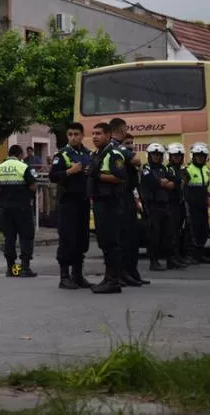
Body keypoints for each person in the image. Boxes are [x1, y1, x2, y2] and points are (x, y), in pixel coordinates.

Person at [49, 122, 93, 290]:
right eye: (70, 134)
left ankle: (78, 275)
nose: (73, 137)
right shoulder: (62, 155)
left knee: (81, 239)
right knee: (67, 238)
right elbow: (53, 176)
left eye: (76, 134)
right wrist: (69, 172)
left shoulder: (87, 154)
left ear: (82, 135)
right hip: (68, 202)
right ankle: (64, 277)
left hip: (83, 201)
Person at [87, 122, 127, 294]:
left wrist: (98, 175)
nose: (95, 136)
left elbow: (120, 178)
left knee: (111, 242)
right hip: (99, 202)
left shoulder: (113, 154)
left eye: (99, 133)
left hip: (110, 202)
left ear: (109, 135)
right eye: (93, 133)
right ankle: (108, 278)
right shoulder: (98, 154)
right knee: (104, 242)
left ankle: (114, 281)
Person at [109, 118, 148, 288]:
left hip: (128, 196)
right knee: (123, 238)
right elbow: (136, 161)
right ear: (122, 129)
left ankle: (132, 272)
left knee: (132, 238)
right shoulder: (116, 147)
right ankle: (122, 274)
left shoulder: (119, 148)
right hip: (120, 196)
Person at [139, 143, 185, 271]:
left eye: (158, 154)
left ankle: (171, 260)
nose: (156, 157)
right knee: (154, 234)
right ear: (149, 155)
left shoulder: (163, 169)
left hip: (165, 205)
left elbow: (175, 180)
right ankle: (154, 262)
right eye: (153, 154)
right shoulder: (146, 168)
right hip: (152, 206)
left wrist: (167, 183)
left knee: (169, 234)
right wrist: (161, 182)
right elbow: (150, 182)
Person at [0, 145, 38, 277]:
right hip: (22, 207)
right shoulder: (23, 166)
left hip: (6, 209)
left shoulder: (0, 168)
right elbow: (33, 186)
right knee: (26, 236)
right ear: (20, 154)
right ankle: (24, 268)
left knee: (9, 237)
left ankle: (11, 268)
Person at [165, 142, 194, 266]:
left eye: (179, 155)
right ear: (169, 156)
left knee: (182, 230)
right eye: (174, 155)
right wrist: (179, 181)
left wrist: (181, 180)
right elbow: (173, 182)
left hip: (181, 203)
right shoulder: (168, 169)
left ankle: (180, 255)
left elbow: (187, 178)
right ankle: (173, 257)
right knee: (173, 231)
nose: (177, 157)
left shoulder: (182, 169)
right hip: (172, 204)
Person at [184, 142, 210, 264]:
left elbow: (206, 186)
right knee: (192, 230)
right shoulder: (188, 170)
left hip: (202, 205)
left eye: (202, 156)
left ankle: (200, 254)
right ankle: (191, 255)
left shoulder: (207, 170)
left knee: (204, 229)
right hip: (192, 205)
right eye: (198, 156)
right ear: (193, 156)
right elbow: (183, 188)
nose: (200, 158)